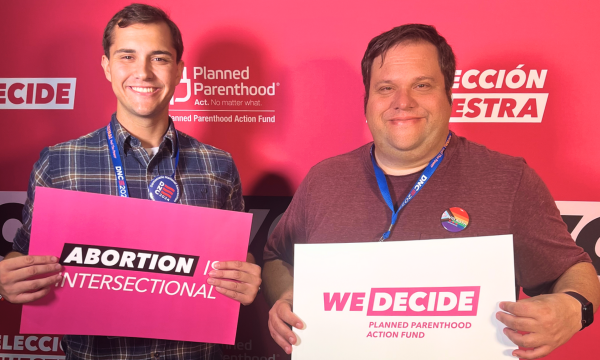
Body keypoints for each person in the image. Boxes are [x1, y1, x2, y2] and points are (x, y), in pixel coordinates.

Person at [262, 24, 600, 359]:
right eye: (385, 88)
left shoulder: (509, 180)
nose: (402, 102)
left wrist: (573, 309)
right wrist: (290, 294)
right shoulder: (325, 179)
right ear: (367, 102)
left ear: (448, 96)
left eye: (421, 85)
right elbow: (276, 257)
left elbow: (574, 269)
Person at [0, 4, 261, 359]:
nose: (143, 72)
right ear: (107, 66)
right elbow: (23, 255)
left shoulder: (218, 165)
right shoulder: (60, 163)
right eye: (127, 56)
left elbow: (235, 262)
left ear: (180, 70)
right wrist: (7, 280)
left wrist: (244, 279)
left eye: (159, 58)